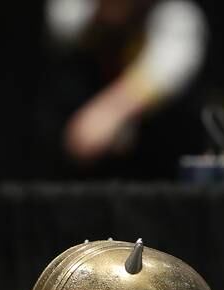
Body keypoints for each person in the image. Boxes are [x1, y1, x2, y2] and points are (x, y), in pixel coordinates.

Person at [36, 0, 208, 178]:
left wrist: (109, 113)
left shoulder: (176, 16)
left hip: (159, 171)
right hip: (80, 175)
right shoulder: (74, 13)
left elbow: (165, 72)